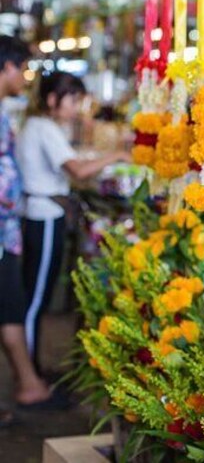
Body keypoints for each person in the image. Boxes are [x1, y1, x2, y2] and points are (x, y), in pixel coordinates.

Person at [17, 71, 129, 373]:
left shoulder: (41, 125)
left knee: (36, 295)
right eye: (73, 100)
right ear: (53, 99)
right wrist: (117, 154)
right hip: (44, 217)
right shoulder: (44, 127)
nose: (76, 107)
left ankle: (33, 368)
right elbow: (78, 171)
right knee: (35, 298)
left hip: (41, 214)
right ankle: (30, 375)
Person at [0, 37, 65, 419]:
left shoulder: (6, 111)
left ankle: (30, 384)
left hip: (7, 230)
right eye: (22, 68)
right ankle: (30, 385)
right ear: (6, 66)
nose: (25, 77)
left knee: (11, 307)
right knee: (11, 307)